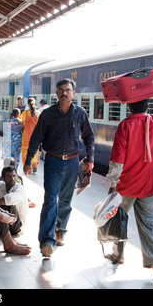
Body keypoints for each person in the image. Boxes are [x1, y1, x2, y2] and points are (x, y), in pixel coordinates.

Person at [105, 92, 153, 285]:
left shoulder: (125, 125)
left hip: (126, 186)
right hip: (149, 184)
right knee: (149, 226)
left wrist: (113, 185)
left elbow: (117, 160)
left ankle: (118, 255)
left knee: (118, 221)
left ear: (129, 108)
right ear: (147, 106)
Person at [23, 78, 95, 258]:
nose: (64, 93)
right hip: (53, 161)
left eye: (68, 90)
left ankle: (60, 229)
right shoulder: (47, 114)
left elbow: (89, 137)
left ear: (73, 93)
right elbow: (36, 138)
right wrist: (28, 161)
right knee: (49, 199)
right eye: (61, 90)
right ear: (56, 93)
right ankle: (46, 241)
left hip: (72, 161)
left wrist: (90, 160)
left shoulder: (80, 113)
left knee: (65, 199)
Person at [0, 166, 29, 235]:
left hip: (16, 225)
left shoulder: (20, 188)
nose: (12, 179)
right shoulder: (0, 185)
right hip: (5, 220)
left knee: (7, 205)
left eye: (14, 176)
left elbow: (9, 200)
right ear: (3, 178)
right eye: (9, 176)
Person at [21, 98, 40, 172]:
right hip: (36, 136)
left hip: (26, 136)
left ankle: (27, 165)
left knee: (25, 151)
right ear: (35, 103)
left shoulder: (25, 113)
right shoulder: (38, 113)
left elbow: (22, 124)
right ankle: (34, 165)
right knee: (34, 151)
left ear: (28, 105)